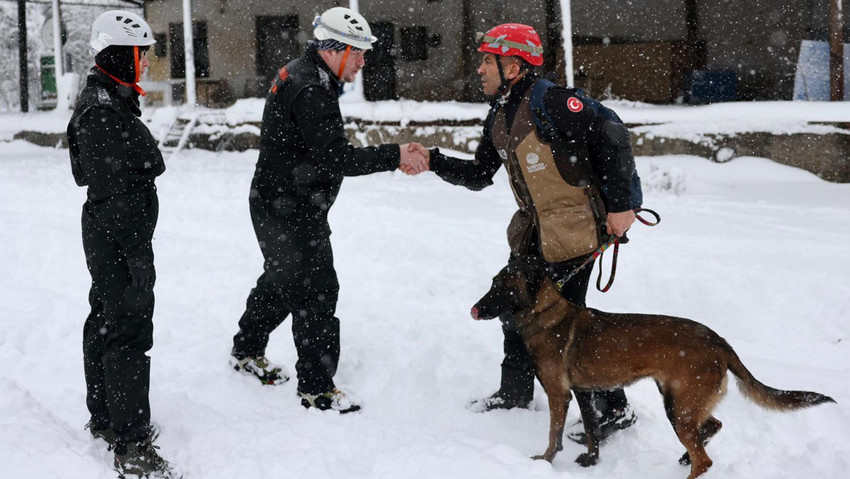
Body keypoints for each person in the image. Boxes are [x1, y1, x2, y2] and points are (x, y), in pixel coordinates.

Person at [420, 23, 642, 443]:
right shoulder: (501, 112)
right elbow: (478, 173)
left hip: (573, 232)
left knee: (568, 326)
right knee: (514, 305)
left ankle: (612, 410)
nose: (481, 69)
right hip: (534, 234)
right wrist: (432, 160)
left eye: (488, 60)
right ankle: (515, 391)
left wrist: (623, 205)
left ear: (515, 65)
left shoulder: (555, 103)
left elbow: (612, 132)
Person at [230, 6, 428, 414]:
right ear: (335, 49)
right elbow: (339, 159)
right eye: (358, 52)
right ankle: (317, 389)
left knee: (283, 280)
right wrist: (396, 155)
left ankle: (246, 349)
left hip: (281, 202)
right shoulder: (310, 89)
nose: (363, 60)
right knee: (317, 292)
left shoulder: (304, 74)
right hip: (289, 208)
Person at [67, 10, 178, 479]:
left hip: (112, 234)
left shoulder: (110, 99)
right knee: (128, 330)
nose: (147, 63)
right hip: (118, 237)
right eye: (141, 54)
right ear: (118, 55)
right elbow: (115, 193)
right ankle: (131, 444)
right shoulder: (102, 111)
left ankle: (106, 417)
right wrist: (137, 253)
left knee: (108, 320)